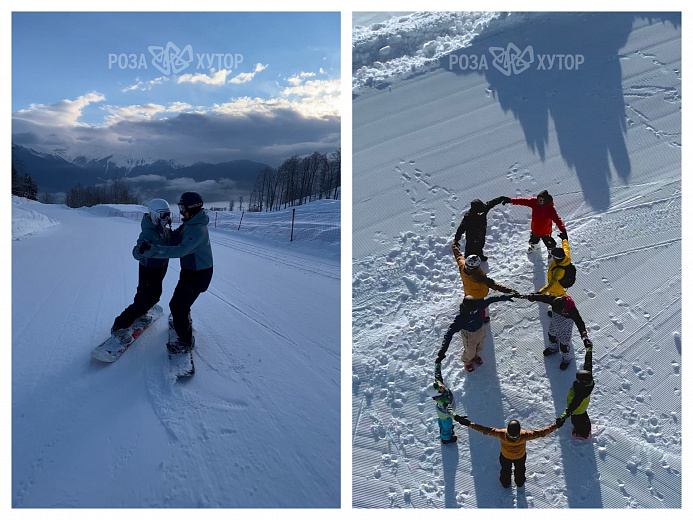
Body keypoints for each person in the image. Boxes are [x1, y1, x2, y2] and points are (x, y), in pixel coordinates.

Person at [141, 192, 213, 353]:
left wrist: (154, 250)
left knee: (177, 305)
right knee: (180, 302)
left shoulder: (197, 229)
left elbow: (180, 250)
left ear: (192, 209)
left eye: (183, 208)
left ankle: (186, 342)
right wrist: (156, 238)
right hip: (190, 270)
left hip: (198, 274)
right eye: (180, 208)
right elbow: (175, 237)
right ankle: (183, 321)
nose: (181, 212)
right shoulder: (190, 223)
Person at [111, 199, 172, 342]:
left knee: (151, 294)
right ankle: (119, 326)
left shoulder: (163, 229)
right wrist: (140, 250)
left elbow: (172, 239)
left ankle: (142, 312)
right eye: (163, 215)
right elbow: (136, 253)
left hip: (160, 267)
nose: (167, 219)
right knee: (147, 297)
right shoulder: (149, 233)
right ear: (154, 215)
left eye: (168, 215)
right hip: (149, 268)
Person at [454, 415, 563, 488]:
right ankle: (519, 482)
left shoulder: (502, 434)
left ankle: (505, 483)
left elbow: (485, 430)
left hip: (505, 456)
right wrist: (556, 425)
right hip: (520, 457)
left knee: (505, 469)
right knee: (520, 469)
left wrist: (467, 423)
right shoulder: (525, 435)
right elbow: (542, 433)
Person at [436, 293, 514, 372]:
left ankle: (475, 356)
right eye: (472, 311)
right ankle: (467, 362)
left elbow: (491, 299)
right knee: (470, 352)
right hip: (469, 335)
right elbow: (449, 334)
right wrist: (442, 352)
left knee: (480, 346)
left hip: (480, 330)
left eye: (476, 310)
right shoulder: (461, 319)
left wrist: (505, 297)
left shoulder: (478, 305)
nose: (475, 312)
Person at [523, 294, 591, 370]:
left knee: (564, 345)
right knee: (551, 334)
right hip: (555, 321)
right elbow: (544, 297)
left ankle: (567, 359)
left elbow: (579, 322)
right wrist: (533, 297)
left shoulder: (572, 310)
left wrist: (584, 335)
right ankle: (553, 348)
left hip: (565, 326)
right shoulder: (554, 300)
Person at [452, 246, 515, 322]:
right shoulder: (480, 277)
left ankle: (466, 312)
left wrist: (454, 246)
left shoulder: (462, 266)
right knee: (480, 307)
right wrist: (508, 291)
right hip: (479, 295)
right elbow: (495, 286)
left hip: (468, 291)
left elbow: (458, 256)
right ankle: (481, 318)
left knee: (468, 304)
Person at [502, 190, 566, 256]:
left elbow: (557, 220)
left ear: (545, 202)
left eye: (541, 201)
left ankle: (551, 252)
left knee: (550, 244)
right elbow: (523, 201)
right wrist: (511, 200)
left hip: (546, 232)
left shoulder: (550, 210)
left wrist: (563, 230)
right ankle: (534, 247)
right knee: (533, 241)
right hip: (535, 230)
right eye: (538, 199)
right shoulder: (534, 202)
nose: (539, 202)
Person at [557, 341, 594, 438]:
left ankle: (583, 433)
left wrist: (564, 417)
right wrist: (589, 350)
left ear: (582, 382)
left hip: (577, 409)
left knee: (577, 420)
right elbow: (588, 363)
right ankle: (586, 426)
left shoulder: (580, 393)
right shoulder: (588, 380)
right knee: (583, 416)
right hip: (583, 407)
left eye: (578, 380)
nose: (576, 380)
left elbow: (573, 406)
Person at [454, 197, 506, 261]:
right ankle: (468, 262)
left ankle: (479, 255)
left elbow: (493, 202)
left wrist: (503, 198)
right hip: (472, 235)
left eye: (482, 212)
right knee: (470, 247)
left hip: (481, 232)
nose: (482, 214)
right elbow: (461, 229)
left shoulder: (484, 208)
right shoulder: (468, 217)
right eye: (480, 213)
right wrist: (456, 239)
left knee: (480, 244)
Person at [427, 363, 458, 444]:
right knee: (447, 427)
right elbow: (449, 410)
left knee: (443, 423)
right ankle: (446, 439)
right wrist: (456, 416)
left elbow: (437, 374)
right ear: (437, 394)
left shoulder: (439, 385)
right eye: (439, 388)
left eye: (439, 385)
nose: (441, 386)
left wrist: (438, 363)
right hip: (446, 415)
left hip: (441, 412)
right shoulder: (443, 401)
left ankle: (442, 427)